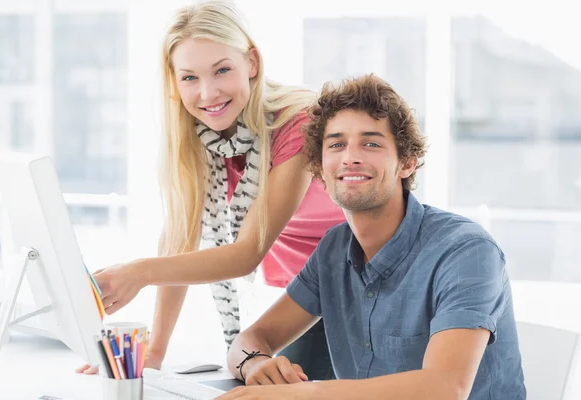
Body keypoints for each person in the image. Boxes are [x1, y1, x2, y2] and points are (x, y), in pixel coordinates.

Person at [76, 0, 344, 380]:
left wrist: (138, 273)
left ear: (251, 63)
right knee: (260, 378)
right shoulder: (200, 135)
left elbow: (247, 253)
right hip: (311, 290)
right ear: (174, 81)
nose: (208, 93)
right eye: (189, 78)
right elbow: (181, 236)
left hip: (364, 281)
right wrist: (153, 354)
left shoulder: (296, 123)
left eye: (222, 70)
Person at [217, 74, 526, 400]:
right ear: (320, 168)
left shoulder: (467, 251)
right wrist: (254, 365)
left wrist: (299, 394)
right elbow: (251, 339)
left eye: (371, 143)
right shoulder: (334, 250)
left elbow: (444, 389)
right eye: (336, 144)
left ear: (407, 162)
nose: (350, 156)